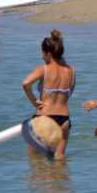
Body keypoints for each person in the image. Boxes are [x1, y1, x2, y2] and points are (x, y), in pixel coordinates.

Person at [22, 29, 75, 159]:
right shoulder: (71, 70)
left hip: (44, 118)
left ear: (48, 54)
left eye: (43, 53)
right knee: (60, 160)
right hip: (64, 120)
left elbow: (25, 84)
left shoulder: (44, 69)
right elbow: (70, 92)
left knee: (35, 162)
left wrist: (34, 101)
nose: (41, 56)